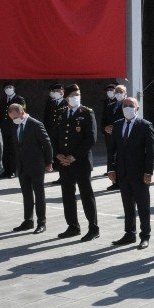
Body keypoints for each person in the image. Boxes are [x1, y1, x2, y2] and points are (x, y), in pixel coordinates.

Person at [107, 96, 154, 249]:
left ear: (137, 108)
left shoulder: (145, 125)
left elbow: (151, 151)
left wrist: (149, 172)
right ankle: (129, 233)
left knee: (143, 206)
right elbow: (112, 149)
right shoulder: (118, 124)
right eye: (125, 105)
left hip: (140, 173)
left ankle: (145, 235)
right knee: (128, 205)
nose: (127, 108)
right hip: (123, 172)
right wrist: (111, 169)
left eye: (131, 105)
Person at [53, 84, 100, 242]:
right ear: (66, 97)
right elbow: (55, 136)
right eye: (72, 94)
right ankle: (73, 226)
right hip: (64, 162)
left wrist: (74, 156)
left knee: (86, 194)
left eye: (77, 94)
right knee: (67, 195)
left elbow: (91, 139)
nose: (75, 97)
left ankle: (93, 228)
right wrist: (58, 155)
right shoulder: (61, 113)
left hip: (80, 161)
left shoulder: (87, 113)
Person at [7, 103, 52, 234]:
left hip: (36, 164)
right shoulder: (15, 125)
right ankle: (28, 220)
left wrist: (49, 162)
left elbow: (47, 143)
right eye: (11, 118)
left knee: (39, 194)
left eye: (15, 117)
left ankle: (41, 222)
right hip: (22, 166)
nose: (14, 120)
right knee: (26, 194)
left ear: (21, 113)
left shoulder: (35, 124)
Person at [0, 82, 25, 179]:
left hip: (15, 127)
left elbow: (23, 111)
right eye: (6, 87)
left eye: (10, 87)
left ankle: (13, 171)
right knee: (5, 150)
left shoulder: (19, 99)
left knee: (13, 150)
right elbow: (0, 114)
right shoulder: (3, 100)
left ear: (13, 88)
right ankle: (6, 170)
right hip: (4, 129)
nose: (8, 89)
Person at [103, 84, 127, 190]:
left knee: (121, 158)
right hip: (110, 137)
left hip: (123, 137)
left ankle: (123, 180)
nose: (118, 94)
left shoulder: (128, 105)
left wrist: (116, 129)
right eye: (116, 92)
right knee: (112, 157)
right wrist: (105, 128)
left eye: (120, 92)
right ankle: (115, 181)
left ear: (125, 93)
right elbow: (103, 120)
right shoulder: (110, 105)